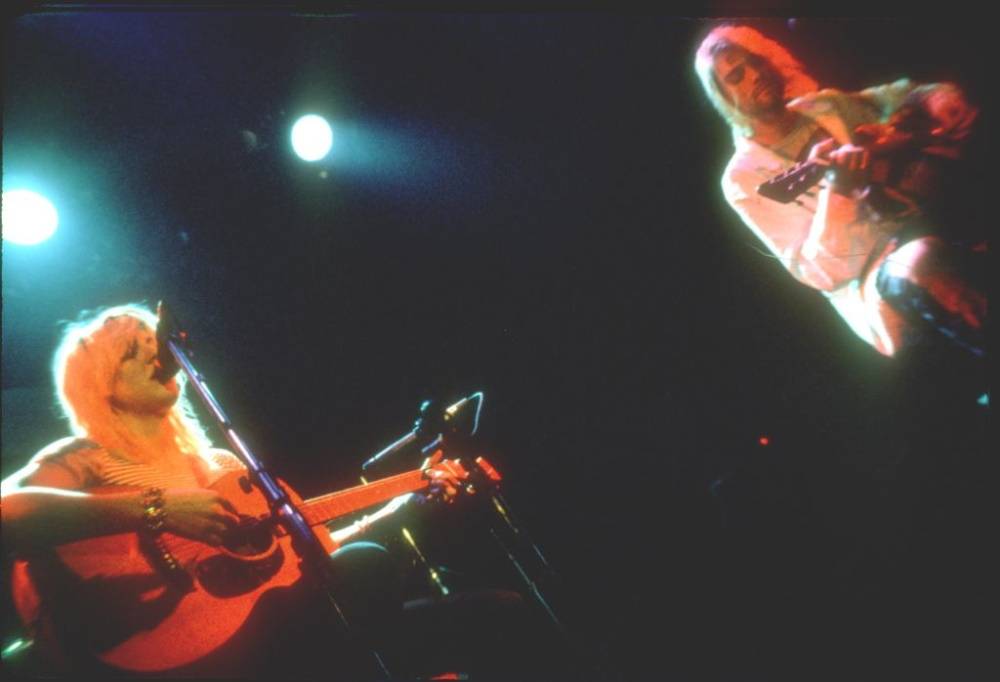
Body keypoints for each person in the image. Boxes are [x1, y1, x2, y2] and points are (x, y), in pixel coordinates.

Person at [0, 303, 469, 679]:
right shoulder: (87, 456)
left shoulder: (222, 467)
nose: (154, 354)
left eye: (156, 342)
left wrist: (404, 503)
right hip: (158, 651)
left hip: (271, 637)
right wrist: (156, 507)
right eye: (132, 351)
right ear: (102, 384)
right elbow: (8, 511)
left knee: (467, 607)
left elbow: (306, 563)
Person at [694, 24, 986, 359]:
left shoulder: (825, 105)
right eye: (736, 76)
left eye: (757, 62)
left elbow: (901, 94)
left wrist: (937, 99)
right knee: (920, 261)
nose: (755, 75)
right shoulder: (743, 179)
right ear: (725, 100)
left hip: (930, 218)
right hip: (882, 275)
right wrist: (839, 192)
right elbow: (821, 272)